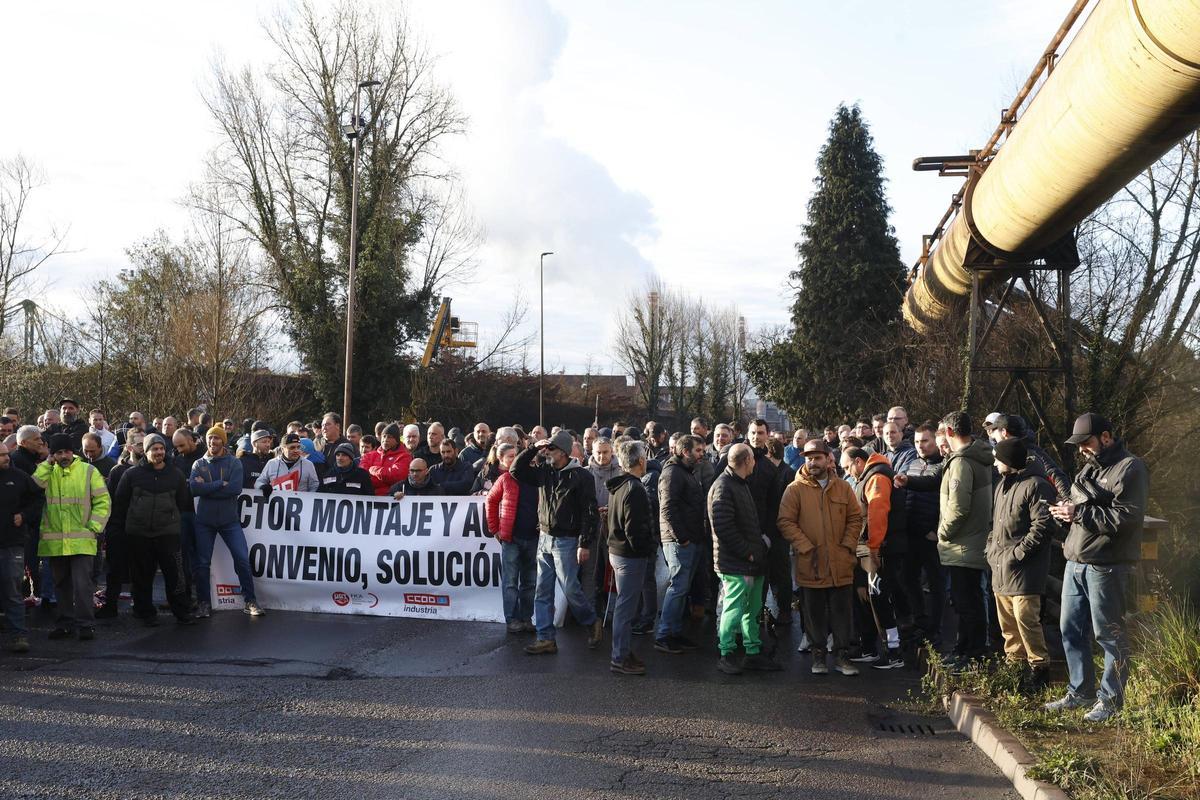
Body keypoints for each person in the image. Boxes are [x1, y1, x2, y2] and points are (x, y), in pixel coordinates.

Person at [1045, 413, 1148, 723]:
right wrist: (1064, 515)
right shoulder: (1088, 468)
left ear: (1106, 437)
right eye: (1078, 446)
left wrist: (1080, 513)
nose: (1082, 450)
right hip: (1075, 562)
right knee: (1070, 631)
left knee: (1109, 635)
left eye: (1086, 443)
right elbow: (1082, 511)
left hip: (1107, 566)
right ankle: (1080, 692)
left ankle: (1111, 701)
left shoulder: (1131, 468)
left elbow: (1125, 519)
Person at [777, 440, 863, 676]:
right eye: (808, 458)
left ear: (828, 459)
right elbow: (785, 521)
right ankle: (818, 657)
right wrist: (805, 546)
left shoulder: (843, 488)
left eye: (817, 458)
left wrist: (847, 545)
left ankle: (843, 657)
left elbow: (856, 518)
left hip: (840, 562)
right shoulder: (795, 489)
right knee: (814, 614)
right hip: (811, 563)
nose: (812, 462)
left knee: (842, 612)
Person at [513, 429, 602, 655]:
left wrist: (584, 542)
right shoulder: (544, 472)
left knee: (570, 588)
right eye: (546, 448)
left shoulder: (582, 477)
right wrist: (533, 448)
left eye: (551, 448)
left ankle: (591, 620)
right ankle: (545, 638)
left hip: (567, 540)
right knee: (542, 591)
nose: (547, 452)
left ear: (563, 452)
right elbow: (516, 470)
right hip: (544, 537)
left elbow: (589, 512)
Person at [987, 437, 1055, 693]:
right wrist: (992, 551)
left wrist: (1017, 554)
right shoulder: (1002, 486)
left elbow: (1043, 525)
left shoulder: (1037, 486)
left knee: (1027, 621)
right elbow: (995, 524)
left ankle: (1039, 671)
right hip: (1001, 567)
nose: (994, 463)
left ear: (1008, 460)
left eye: (997, 458)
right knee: (1008, 628)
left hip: (1025, 571)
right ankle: (1014, 671)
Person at [111, 434, 195, 626]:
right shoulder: (131, 475)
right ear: (146, 452)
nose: (159, 452)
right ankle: (144, 612)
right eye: (154, 449)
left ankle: (182, 611)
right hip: (139, 534)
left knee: (175, 575)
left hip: (168, 534)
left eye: (161, 449)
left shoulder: (176, 475)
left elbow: (182, 502)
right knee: (142, 577)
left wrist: (171, 520)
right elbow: (120, 503)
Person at [34, 433, 110, 641]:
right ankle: (65, 623)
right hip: (56, 542)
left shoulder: (88, 471)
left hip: (82, 539)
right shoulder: (49, 472)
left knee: (82, 584)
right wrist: (47, 464)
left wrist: (94, 527)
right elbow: (34, 485)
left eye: (67, 451)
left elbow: (103, 500)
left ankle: (86, 624)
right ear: (53, 454)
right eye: (59, 452)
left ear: (73, 452)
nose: (64, 455)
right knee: (61, 585)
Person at [709, 443, 776, 674]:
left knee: (753, 608)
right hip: (736, 563)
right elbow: (723, 526)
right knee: (734, 608)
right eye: (753, 460)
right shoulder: (724, 486)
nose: (755, 463)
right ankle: (725, 652)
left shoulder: (739, 483)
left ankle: (752, 652)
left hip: (751, 561)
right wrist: (747, 551)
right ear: (747, 460)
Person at [938, 411, 994, 667]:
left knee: (966, 602)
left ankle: (972, 654)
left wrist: (942, 533)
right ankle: (964, 650)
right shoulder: (981, 457)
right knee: (968, 600)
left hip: (962, 545)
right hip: (974, 542)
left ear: (949, 432)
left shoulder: (961, 462)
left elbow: (958, 508)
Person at [841, 447, 906, 669]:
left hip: (877, 548)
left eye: (847, 467)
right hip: (866, 547)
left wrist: (875, 546)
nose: (847, 472)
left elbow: (877, 512)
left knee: (879, 598)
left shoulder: (876, 477)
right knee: (864, 597)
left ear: (858, 461)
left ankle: (893, 652)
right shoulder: (869, 476)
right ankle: (868, 646)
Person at [190, 426, 264, 618]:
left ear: (223, 441)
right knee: (202, 563)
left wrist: (206, 486)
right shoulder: (198, 463)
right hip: (204, 522)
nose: (212, 442)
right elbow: (194, 489)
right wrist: (217, 484)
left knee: (242, 559)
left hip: (229, 521)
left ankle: (250, 600)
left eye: (216, 438)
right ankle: (204, 603)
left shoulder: (234, 463)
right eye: (209, 438)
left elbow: (234, 489)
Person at [606, 440, 656, 676]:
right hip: (629, 556)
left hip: (618, 552)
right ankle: (619, 656)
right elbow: (634, 529)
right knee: (626, 609)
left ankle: (623, 651)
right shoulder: (634, 489)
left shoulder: (620, 485)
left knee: (625, 607)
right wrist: (646, 549)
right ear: (640, 460)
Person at [654, 434, 706, 655]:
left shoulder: (686, 472)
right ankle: (664, 634)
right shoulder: (672, 473)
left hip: (690, 539)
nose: (702, 455)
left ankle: (674, 631)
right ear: (686, 451)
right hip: (679, 541)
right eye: (698, 451)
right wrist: (681, 537)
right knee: (677, 587)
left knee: (682, 587)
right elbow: (667, 508)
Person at [895, 423, 946, 646]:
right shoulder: (912, 463)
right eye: (916, 441)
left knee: (936, 584)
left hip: (931, 536)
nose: (920, 445)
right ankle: (920, 620)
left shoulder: (944, 466)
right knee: (908, 579)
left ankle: (935, 629)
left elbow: (946, 501)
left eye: (925, 440)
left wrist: (936, 530)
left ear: (935, 441)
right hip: (911, 534)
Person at [486, 443, 538, 634]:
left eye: (516, 455)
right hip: (512, 539)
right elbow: (491, 501)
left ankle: (526, 618)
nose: (514, 459)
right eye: (510, 456)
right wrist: (494, 529)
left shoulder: (534, 477)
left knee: (529, 582)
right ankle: (512, 619)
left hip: (533, 537)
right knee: (510, 582)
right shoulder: (505, 479)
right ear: (501, 460)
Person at [95, 429, 146, 619]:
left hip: (142, 528)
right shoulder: (117, 471)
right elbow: (108, 500)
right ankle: (110, 606)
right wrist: (111, 527)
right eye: (140, 444)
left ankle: (141, 606)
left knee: (141, 570)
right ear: (130, 446)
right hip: (120, 527)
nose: (144, 448)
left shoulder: (151, 470)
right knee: (115, 569)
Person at [0, 442, 43, 652]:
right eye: (1, 456)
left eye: (7, 454)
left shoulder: (19, 477)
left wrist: (24, 516)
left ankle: (19, 635)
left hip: (12, 542)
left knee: (12, 587)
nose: (6, 458)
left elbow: (37, 499)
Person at [989, 414, 1070, 501]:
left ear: (1004, 432)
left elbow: (1054, 472)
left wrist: (1067, 500)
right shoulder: (1010, 452)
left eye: (995, 430)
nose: (992, 435)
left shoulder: (1031, 451)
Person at [256, 432, 320, 495]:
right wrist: (263, 487)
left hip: (300, 504)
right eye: (292, 448)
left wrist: (308, 499)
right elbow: (259, 482)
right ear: (282, 449)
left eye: (298, 447)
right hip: (277, 503)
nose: (296, 450)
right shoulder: (272, 463)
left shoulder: (308, 464)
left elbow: (315, 485)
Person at [360, 423, 412, 496]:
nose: (385, 440)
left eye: (390, 437)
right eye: (384, 436)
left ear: (397, 440)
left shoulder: (405, 456)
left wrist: (373, 470)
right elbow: (362, 475)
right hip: (368, 497)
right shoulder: (369, 455)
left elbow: (396, 476)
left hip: (392, 499)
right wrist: (385, 480)